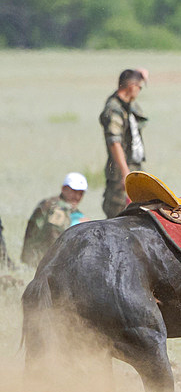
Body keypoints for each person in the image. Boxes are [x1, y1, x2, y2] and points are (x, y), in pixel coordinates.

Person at [100, 68, 148, 218]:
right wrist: (125, 172)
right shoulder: (114, 109)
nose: (140, 91)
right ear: (132, 86)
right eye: (139, 87)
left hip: (133, 167)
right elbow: (114, 142)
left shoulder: (128, 105)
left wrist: (140, 74)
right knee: (118, 215)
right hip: (122, 171)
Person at [21, 173, 89, 268]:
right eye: (74, 191)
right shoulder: (56, 209)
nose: (77, 197)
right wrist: (81, 227)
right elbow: (54, 237)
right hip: (40, 262)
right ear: (64, 189)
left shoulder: (66, 207)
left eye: (80, 193)